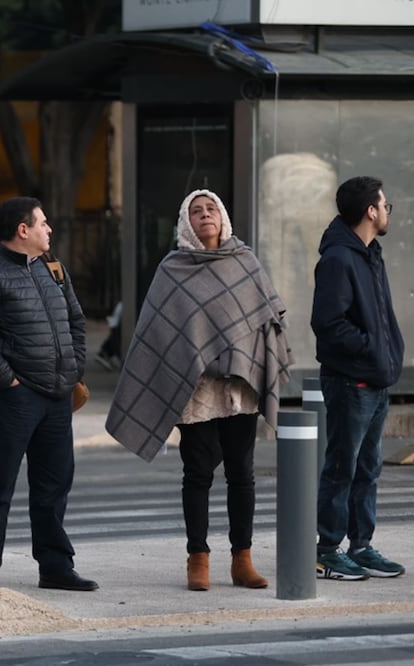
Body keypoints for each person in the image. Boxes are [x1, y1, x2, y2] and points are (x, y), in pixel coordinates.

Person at [107, 189, 292, 591]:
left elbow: (267, 320)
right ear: (184, 224)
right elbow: (158, 332)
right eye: (196, 211)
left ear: (223, 217)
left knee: (242, 475)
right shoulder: (173, 269)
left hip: (238, 387)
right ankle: (198, 559)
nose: (205, 215)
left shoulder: (245, 262)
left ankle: (242, 559)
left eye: (211, 209)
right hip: (199, 391)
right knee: (198, 474)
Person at [0, 196, 93, 592]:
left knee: (54, 486)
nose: (49, 229)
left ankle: (55, 567)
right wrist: (8, 381)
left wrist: (73, 367)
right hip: (14, 398)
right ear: (23, 230)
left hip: (57, 396)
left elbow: (76, 321)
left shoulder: (54, 269)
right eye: (43, 223)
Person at [312, 176, 406, 581]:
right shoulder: (338, 259)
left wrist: (386, 352)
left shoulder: (370, 254)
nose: (387, 212)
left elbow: (380, 316)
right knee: (342, 468)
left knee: (368, 469)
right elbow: (327, 324)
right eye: (385, 205)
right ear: (371, 211)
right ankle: (328, 550)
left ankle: (361, 546)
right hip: (351, 382)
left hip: (375, 380)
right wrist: (370, 347)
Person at [96, 301, 122, 370]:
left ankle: (106, 353)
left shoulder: (121, 304)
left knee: (115, 338)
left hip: (117, 321)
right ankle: (106, 353)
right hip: (118, 322)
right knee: (116, 338)